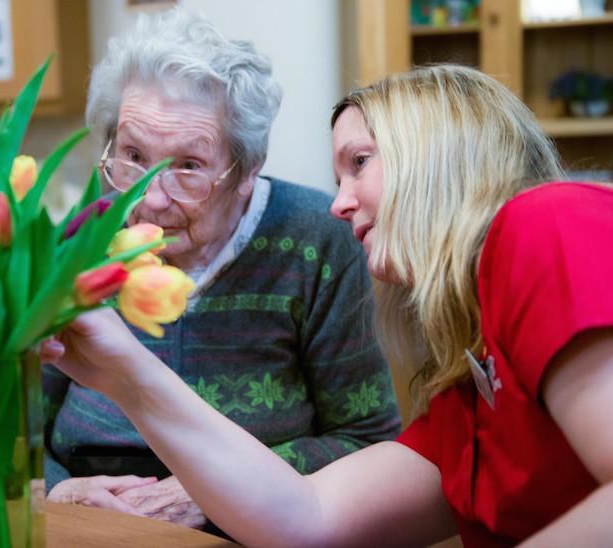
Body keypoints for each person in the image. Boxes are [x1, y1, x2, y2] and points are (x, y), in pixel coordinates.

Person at [41, 63, 613, 547]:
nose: (338, 203)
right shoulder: (464, 402)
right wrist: (127, 375)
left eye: (359, 162)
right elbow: (305, 517)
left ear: (439, 152)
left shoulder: (547, 220)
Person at [43, 9, 400, 529]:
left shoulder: (315, 243)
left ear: (246, 172)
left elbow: (369, 441)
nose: (151, 198)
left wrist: (215, 489)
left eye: (188, 166)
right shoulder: (81, 240)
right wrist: (60, 490)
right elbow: (12, 428)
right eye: (132, 155)